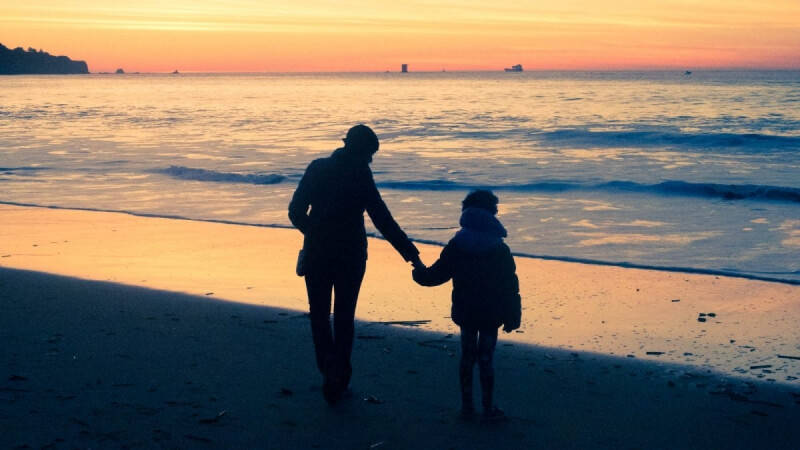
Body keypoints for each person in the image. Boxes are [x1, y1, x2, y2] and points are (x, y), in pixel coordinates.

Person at [288, 124, 424, 405]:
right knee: (344, 316)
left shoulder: (317, 168)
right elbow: (382, 219)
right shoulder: (360, 173)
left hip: (318, 253)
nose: (371, 160)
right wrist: (410, 254)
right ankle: (338, 372)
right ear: (362, 151)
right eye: (371, 154)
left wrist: (314, 232)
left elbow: (295, 212)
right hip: (350, 255)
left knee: (319, 314)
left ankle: (329, 369)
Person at [412, 189, 521, 420]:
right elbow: (510, 285)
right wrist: (513, 315)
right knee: (486, 358)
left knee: (467, 355)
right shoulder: (499, 248)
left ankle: (467, 406)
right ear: (491, 214)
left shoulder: (458, 243)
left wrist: (420, 275)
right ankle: (488, 407)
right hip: (491, 312)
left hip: (466, 309)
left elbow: (439, 273)